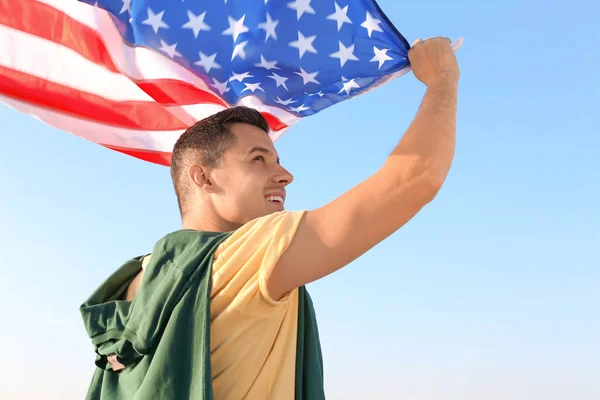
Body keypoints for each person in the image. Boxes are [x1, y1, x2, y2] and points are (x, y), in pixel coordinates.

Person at [79, 37, 460, 399]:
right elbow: (414, 181)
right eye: (258, 159)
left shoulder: (138, 278)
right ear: (203, 176)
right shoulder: (248, 255)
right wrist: (442, 82)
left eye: (277, 160)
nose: (285, 175)